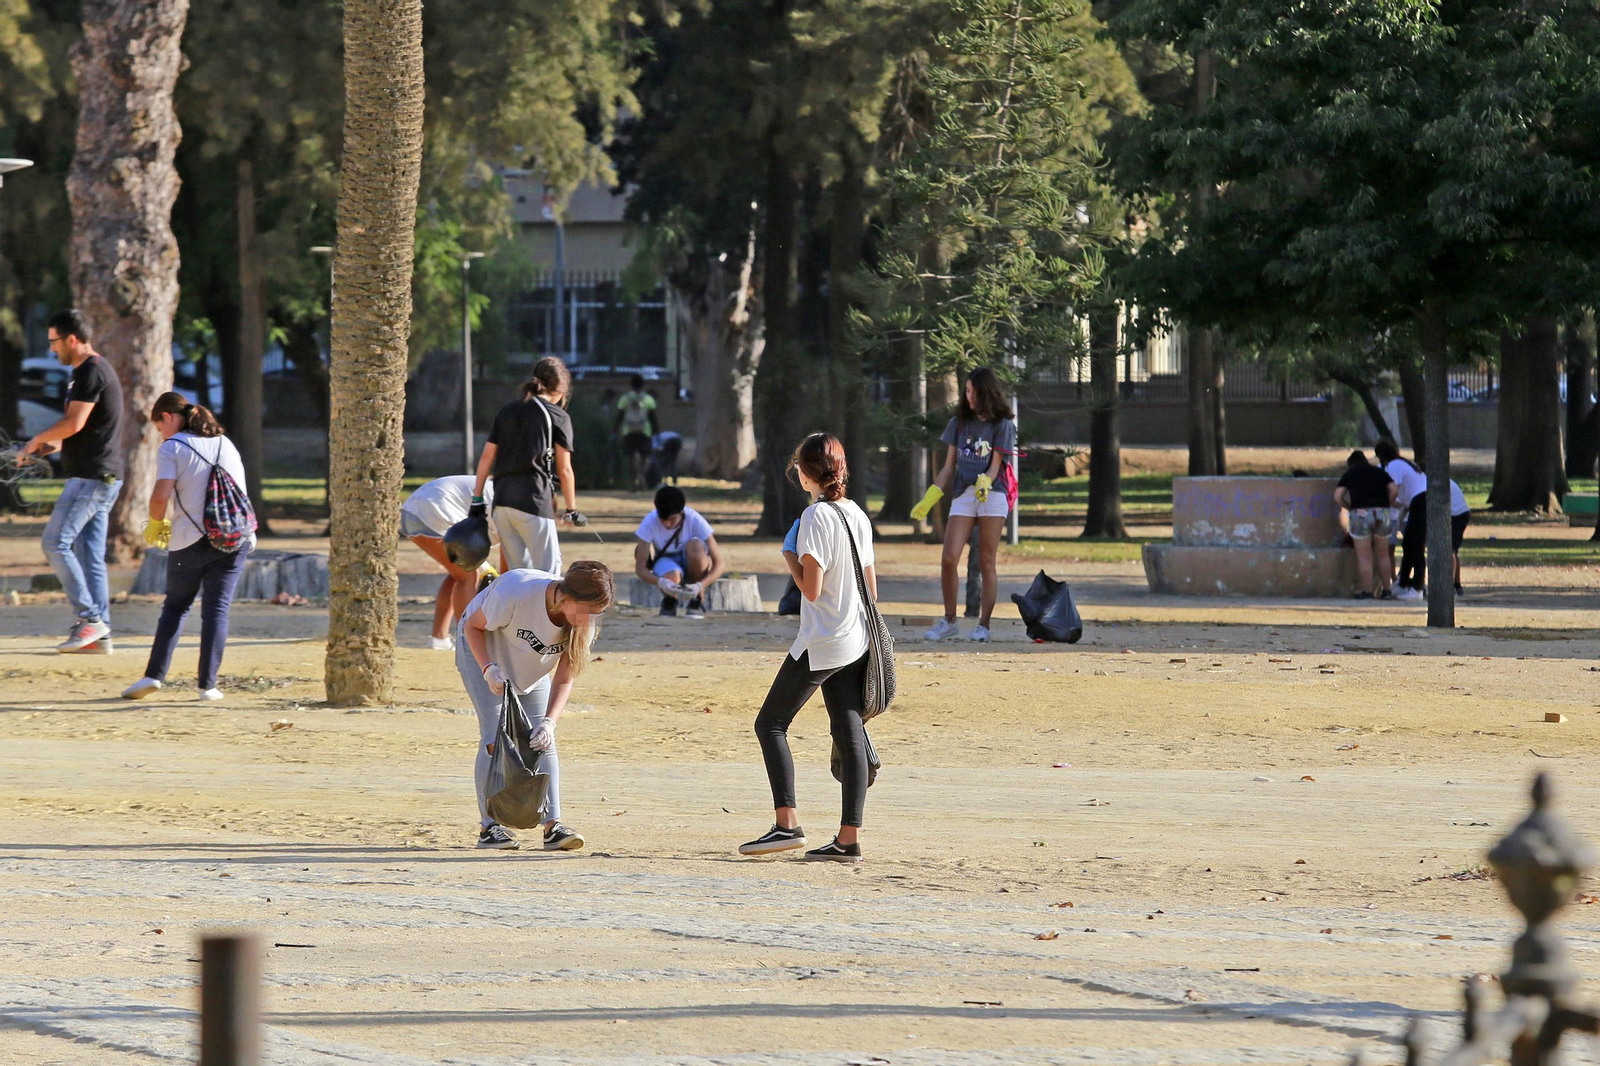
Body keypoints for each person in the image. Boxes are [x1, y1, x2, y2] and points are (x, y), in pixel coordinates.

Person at [742, 433, 876, 863]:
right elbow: (870, 589)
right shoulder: (856, 514)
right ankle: (847, 839)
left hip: (821, 642)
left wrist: (788, 555)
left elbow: (812, 590)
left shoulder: (816, 517)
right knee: (850, 734)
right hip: (855, 638)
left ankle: (787, 824)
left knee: (771, 725)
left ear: (806, 473)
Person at [457, 560, 614, 851]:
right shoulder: (516, 592)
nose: (591, 619)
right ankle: (489, 827)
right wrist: (488, 669)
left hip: (531, 667)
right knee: (495, 738)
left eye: (598, 613)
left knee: (542, 741)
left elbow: (566, 676)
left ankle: (553, 826)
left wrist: (549, 722)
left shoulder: (583, 621)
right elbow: (472, 626)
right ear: (566, 598)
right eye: (588, 611)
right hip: (484, 652)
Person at [120, 393, 255, 700]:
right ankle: (208, 686)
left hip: (189, 540)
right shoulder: (226, 443)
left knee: (176, 607)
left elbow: (159, 496)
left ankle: (153, 676)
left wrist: (156, 524)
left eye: (159, 427)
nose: (161, 434)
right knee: (216, 611)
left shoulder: (173, 447)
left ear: (168, 417)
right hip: (235, 538)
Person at [21, 309, 125, 654]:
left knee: (55, 543)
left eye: (54, 342)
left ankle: (90, 619)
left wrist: (37, 439)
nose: (52, 350)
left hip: (92, 479)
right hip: (97, 475)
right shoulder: (84, 372)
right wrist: (45, 447)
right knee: (89, 555)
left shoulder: (91, 371)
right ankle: (101, 634)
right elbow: (81, 432)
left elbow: (74, 422)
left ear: (72, 340)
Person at [912, 366, 1018, 642]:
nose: (968, 396)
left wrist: (985, 482)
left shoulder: (1003, 425)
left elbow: (996, 465)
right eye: (966, 391)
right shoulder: (958, 423)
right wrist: (932, 495)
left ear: (987, 393)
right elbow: (949, 467)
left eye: (973, 391)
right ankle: (949, 621)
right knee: (949, 558)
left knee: (986, 560)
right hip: (963, 493)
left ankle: (984, 625)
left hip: (992, 494)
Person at [474, 357, 579, 574]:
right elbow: (565, 470)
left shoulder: (508, 410)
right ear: (561, 389)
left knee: (518, 576)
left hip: (502, 502)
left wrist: (476, 499)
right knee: (549, 574)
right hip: (534, 500)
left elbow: (486, 457)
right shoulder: (558, 416)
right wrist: (571, 510)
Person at [401, 475, 499, 650]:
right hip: (430, 512)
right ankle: (468, 642)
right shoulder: (512, 506)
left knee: (458, 575)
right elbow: (509, 565)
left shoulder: (504, 491)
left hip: (411, 513)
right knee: (468, 575)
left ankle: (439, 639)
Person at [634, 484, 725, 618]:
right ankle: (670, 599)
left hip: (693, 563)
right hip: (666, 560)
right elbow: (640, 567)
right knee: (672, 576)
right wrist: (660, 582)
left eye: (672, 520)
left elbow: (719, 563)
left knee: (695, 546)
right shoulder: (650, 521)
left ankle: (696, 598)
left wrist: (701, 585)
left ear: (682, 512)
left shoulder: (694, 520)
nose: (667, 525)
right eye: (663, 520)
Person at [1333, 450, 1398, 599]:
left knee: (1365, 557)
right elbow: (1394, 490)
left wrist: (1349, 507)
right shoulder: (1380, 472)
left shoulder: (1350, 474)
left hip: (1360, 515)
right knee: (1383, 555)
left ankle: (1368, 591)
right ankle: (1387, 590)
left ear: (1351, 464)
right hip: (1382, 514)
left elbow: (1337, 496)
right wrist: (1386, 505)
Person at [1374, 438, 1427, 600]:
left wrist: (1385, 503)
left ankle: (1417, 588)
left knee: (1416, 546)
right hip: (1417, 503)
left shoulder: (1394, 466)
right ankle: (1403, 582)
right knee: (1408, 544)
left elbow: (1393, 491)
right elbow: (1402, 498)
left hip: (1421, 502)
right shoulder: (1405, 463)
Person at [615, 374, 657, 491]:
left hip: (628, 431)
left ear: (631, 384)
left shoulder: (625, 399)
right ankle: (642, 476)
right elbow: (653, 418)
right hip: (645, 432)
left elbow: (619, 416)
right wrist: (656, 432)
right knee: (644, 457)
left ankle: (633, 483)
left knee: (630, 458)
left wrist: (614, 431)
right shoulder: (648, 399)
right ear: (643, 385)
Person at [1449, 477, 1472, 595]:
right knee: (1453, 550)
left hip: (1457, 514)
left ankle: (1451, 585)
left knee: (1450, 550)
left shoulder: (1433, 483)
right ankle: (1456, 584)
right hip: (1460, 512)